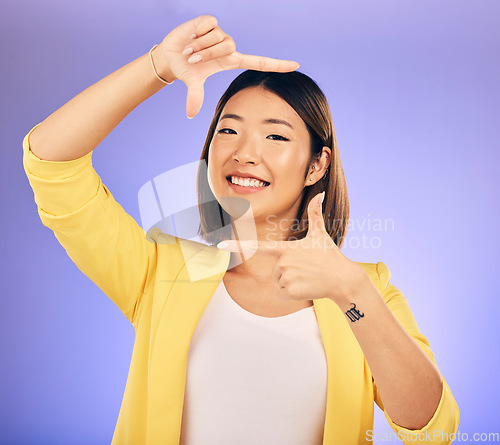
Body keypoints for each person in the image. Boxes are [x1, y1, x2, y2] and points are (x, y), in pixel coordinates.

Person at [23, 14, 459, 445]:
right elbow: (51, 164)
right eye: (228, 130)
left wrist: (353, 293)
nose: (245, 153)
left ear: (317, 165)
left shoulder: (369, 290)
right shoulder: (162, 272)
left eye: (276, 137)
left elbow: (433, 431)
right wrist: (157, 67)